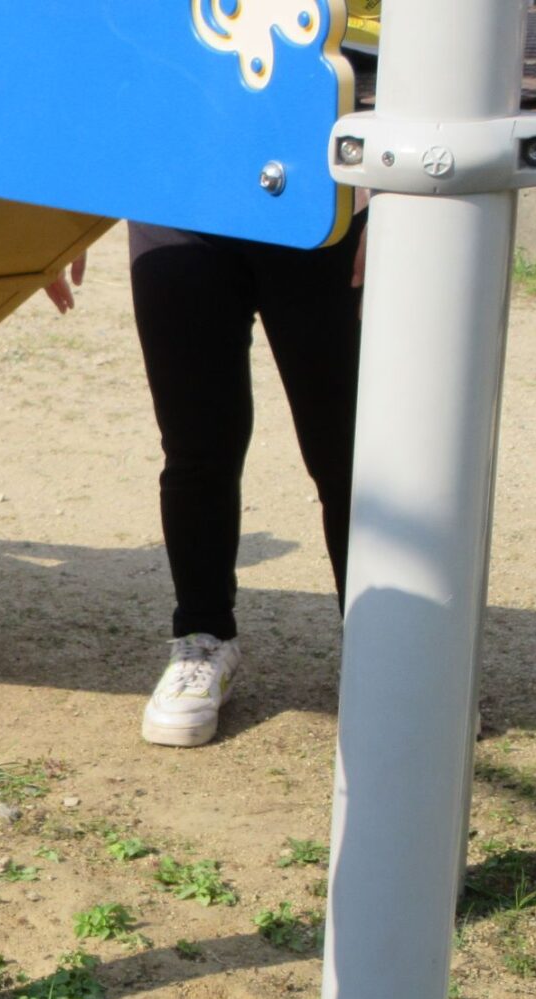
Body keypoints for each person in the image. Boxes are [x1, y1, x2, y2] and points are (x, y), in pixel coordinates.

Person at [100, 214, 368, 747]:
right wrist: (53, 219)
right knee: (195, 446)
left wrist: (391, 205)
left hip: (326, 203)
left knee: (352, 455)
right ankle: (203, 635)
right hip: (179, 201)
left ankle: (389, 651)